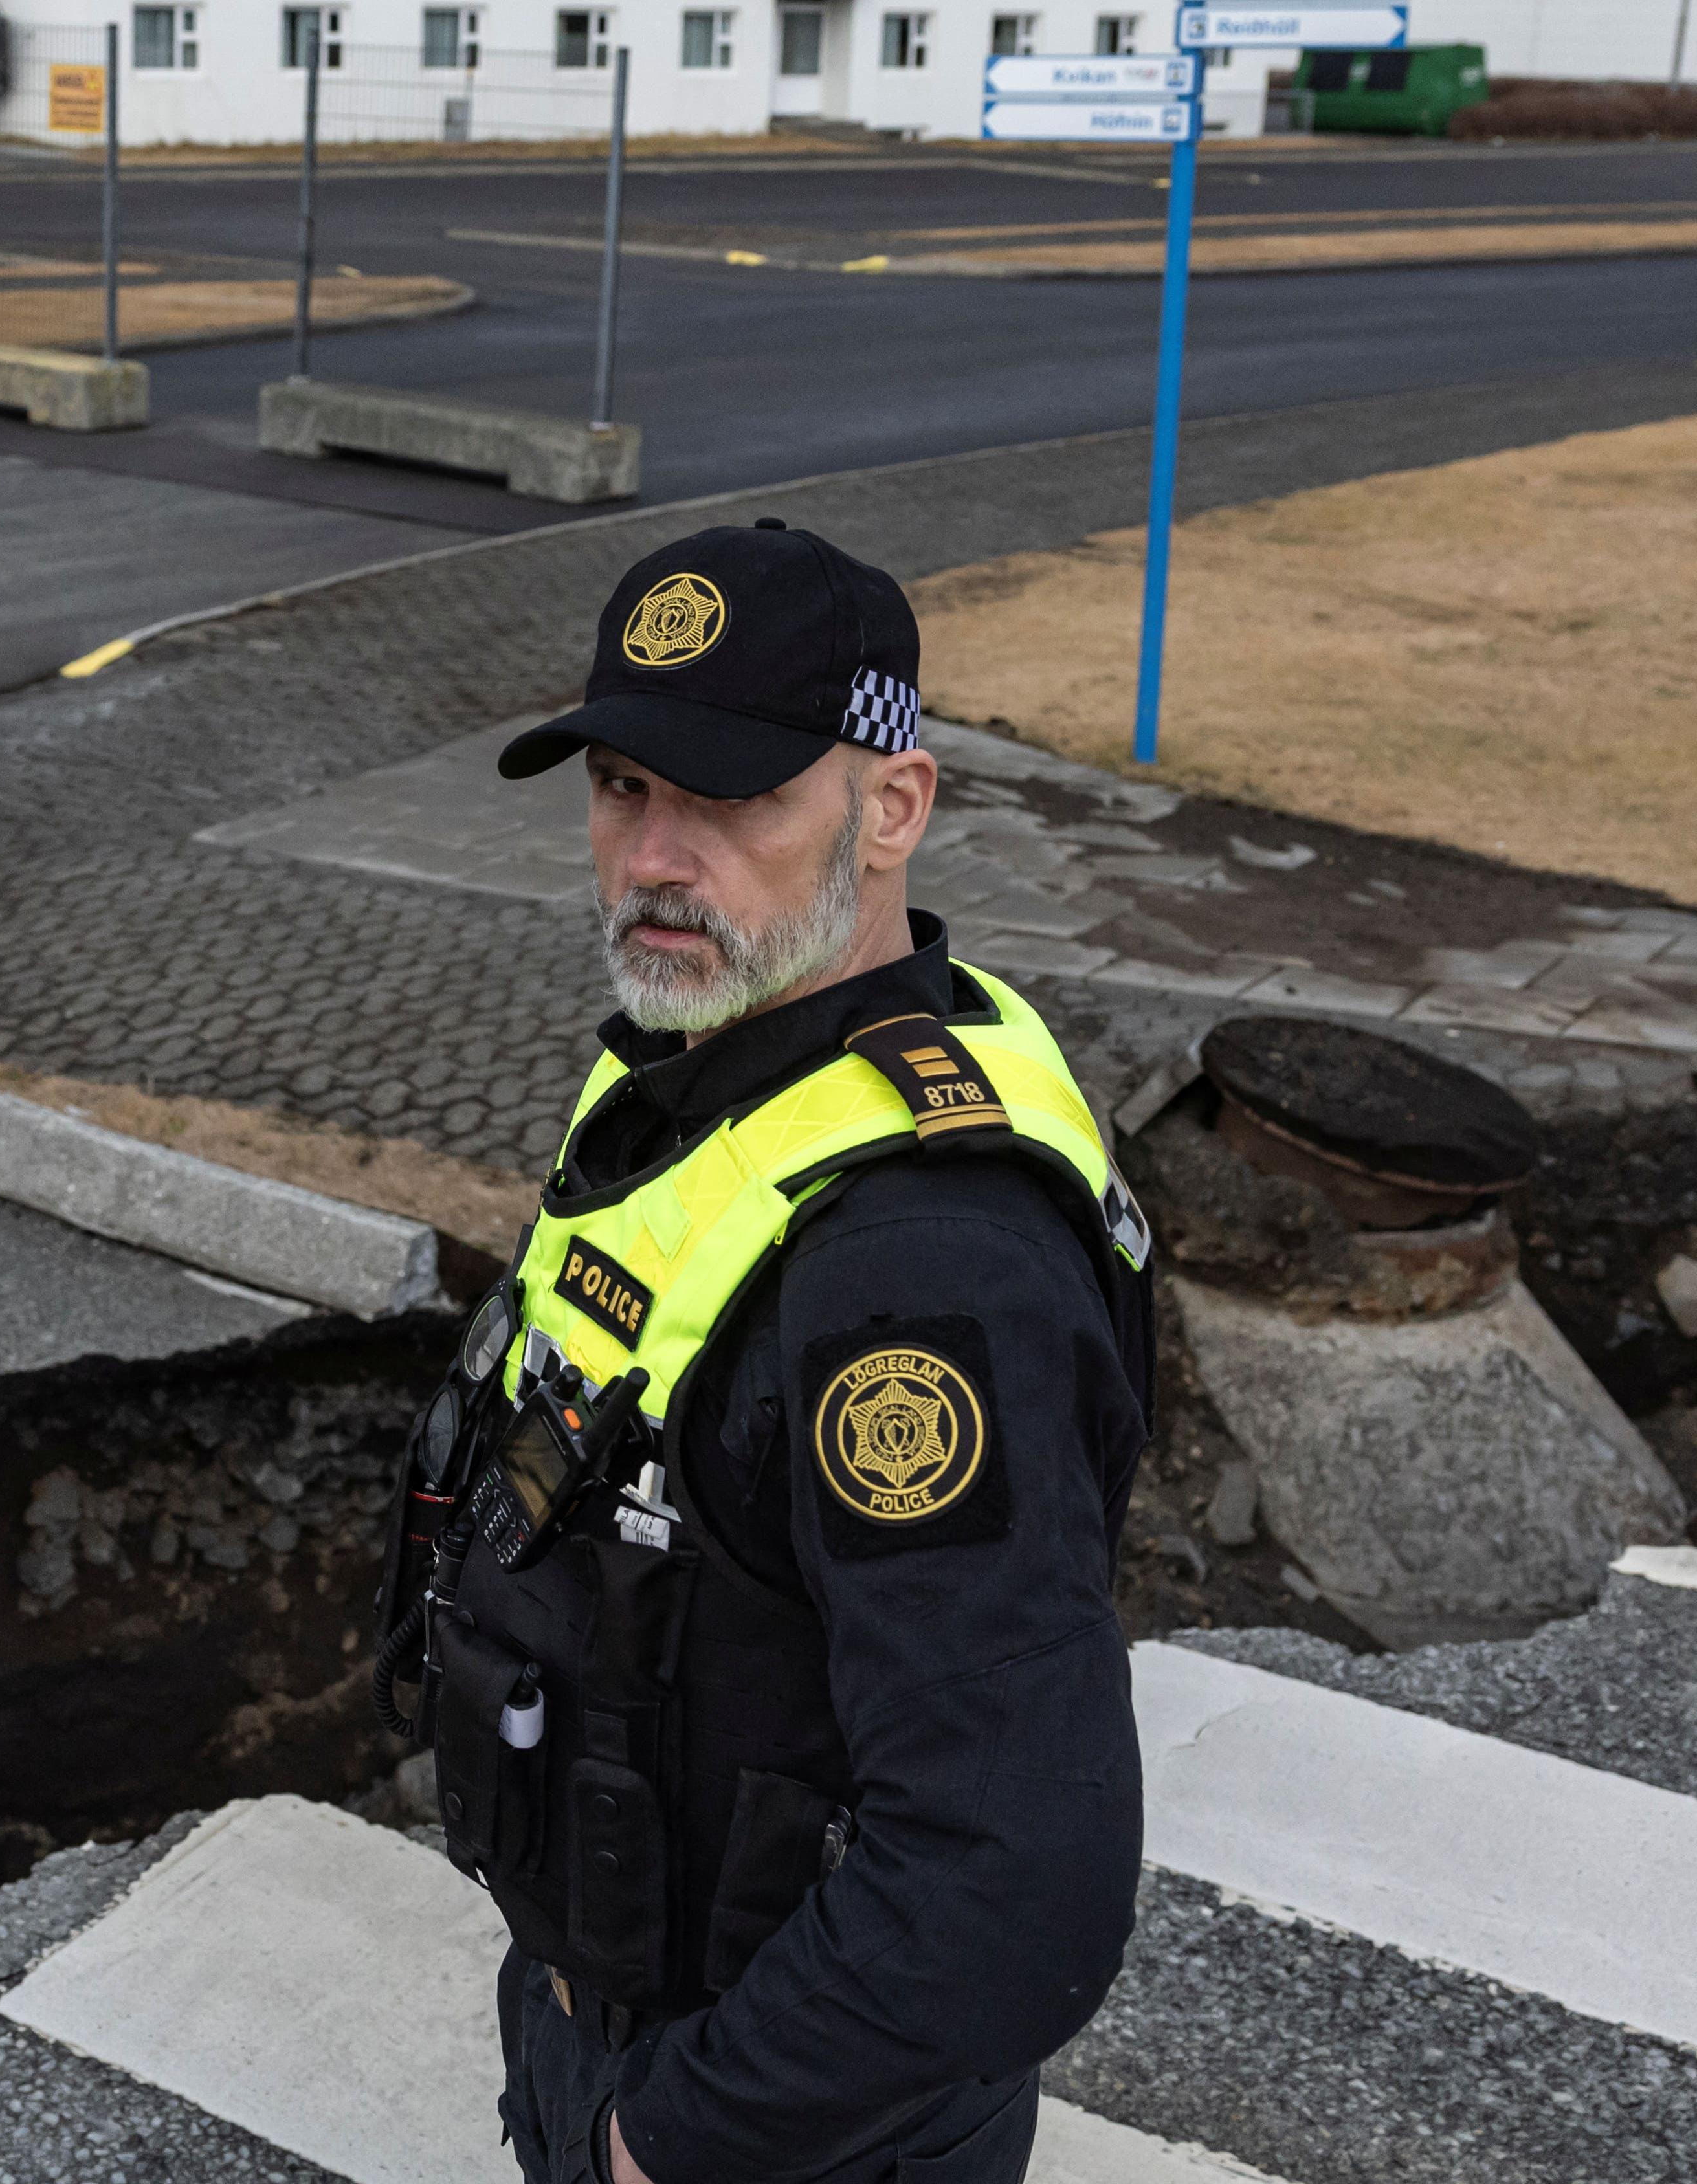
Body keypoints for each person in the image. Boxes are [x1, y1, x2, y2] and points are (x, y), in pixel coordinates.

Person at [372, 518, 1157, 2184]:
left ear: (890, 808)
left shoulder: (916, 1270)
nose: (655, 855)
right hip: (617, 2007)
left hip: (782, 2125)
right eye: (620, 788)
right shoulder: (711, 1073)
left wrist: (668, 2141)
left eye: (728, 799)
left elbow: (1017, 1878)